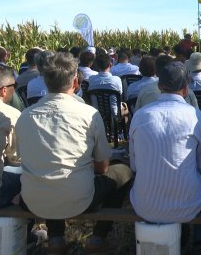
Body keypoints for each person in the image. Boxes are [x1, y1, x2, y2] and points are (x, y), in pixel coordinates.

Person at [16, 52, 133, 254]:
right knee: (123, 172)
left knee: (51, 173)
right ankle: (98, 238)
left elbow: (23, 158)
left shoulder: (25, 116)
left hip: (33, 200)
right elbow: (102, 167)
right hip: (80, 200)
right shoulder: (88, 114)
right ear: (76, 82)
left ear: (45, 80)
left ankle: (56, 240)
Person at [130, 61, 201, 254]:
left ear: (160, 86)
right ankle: (200, 241)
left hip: (145, 206)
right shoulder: (196, 116)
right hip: (188, 205)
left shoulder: (140, 116)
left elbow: (135, 166)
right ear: (185, 90)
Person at [0, 66, 21, 208]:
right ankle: (24, 228)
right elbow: (16, 158)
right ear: (4, 90)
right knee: (27, 177)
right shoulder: (10, 114)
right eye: (14, 86)